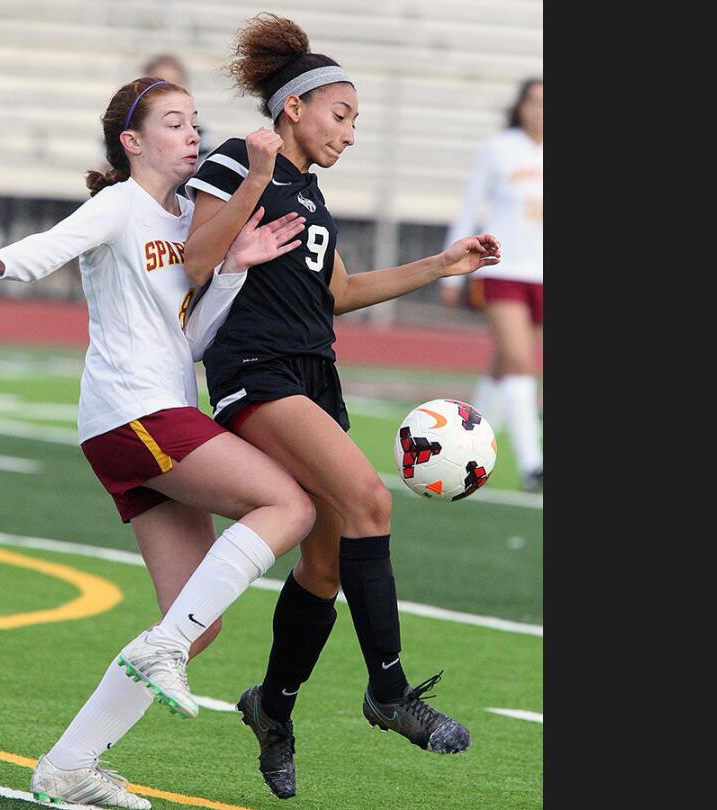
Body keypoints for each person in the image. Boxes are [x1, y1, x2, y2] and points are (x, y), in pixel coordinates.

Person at [0, 76, 313, 809]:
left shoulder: (187, 220)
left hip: (151, 417)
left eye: (194, 122)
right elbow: (49, 248)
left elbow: (193, 335)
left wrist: (234, 270)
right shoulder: (118, 205)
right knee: (290, 504)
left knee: (194, 623)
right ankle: (161, 649)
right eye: (174, 123)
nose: (191, 133)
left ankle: (67, 766)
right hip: (133, 413)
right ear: (133, 142)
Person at [179, 13, 503, 799]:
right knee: (368, 498)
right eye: (341, 114)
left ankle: (273, 707)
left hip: (313, 377)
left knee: (324, 563)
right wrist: (251, 181)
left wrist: (441, 264)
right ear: (293, 106)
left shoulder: (311, 196)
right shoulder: (236, 162)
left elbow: (340, 294)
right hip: (252, 370)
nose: (349, 134)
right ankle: (388, 693)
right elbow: (193, 258)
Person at [439, 78, 543, 493]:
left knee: (506, 362)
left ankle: (469, 446)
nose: (540, 110)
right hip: (502, 269)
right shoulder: (499, 148)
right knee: (520, 360)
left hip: (542, 273)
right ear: (520, 106)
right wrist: (450, 262)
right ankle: (534, 465)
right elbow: (470, 205)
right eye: (533, 101)